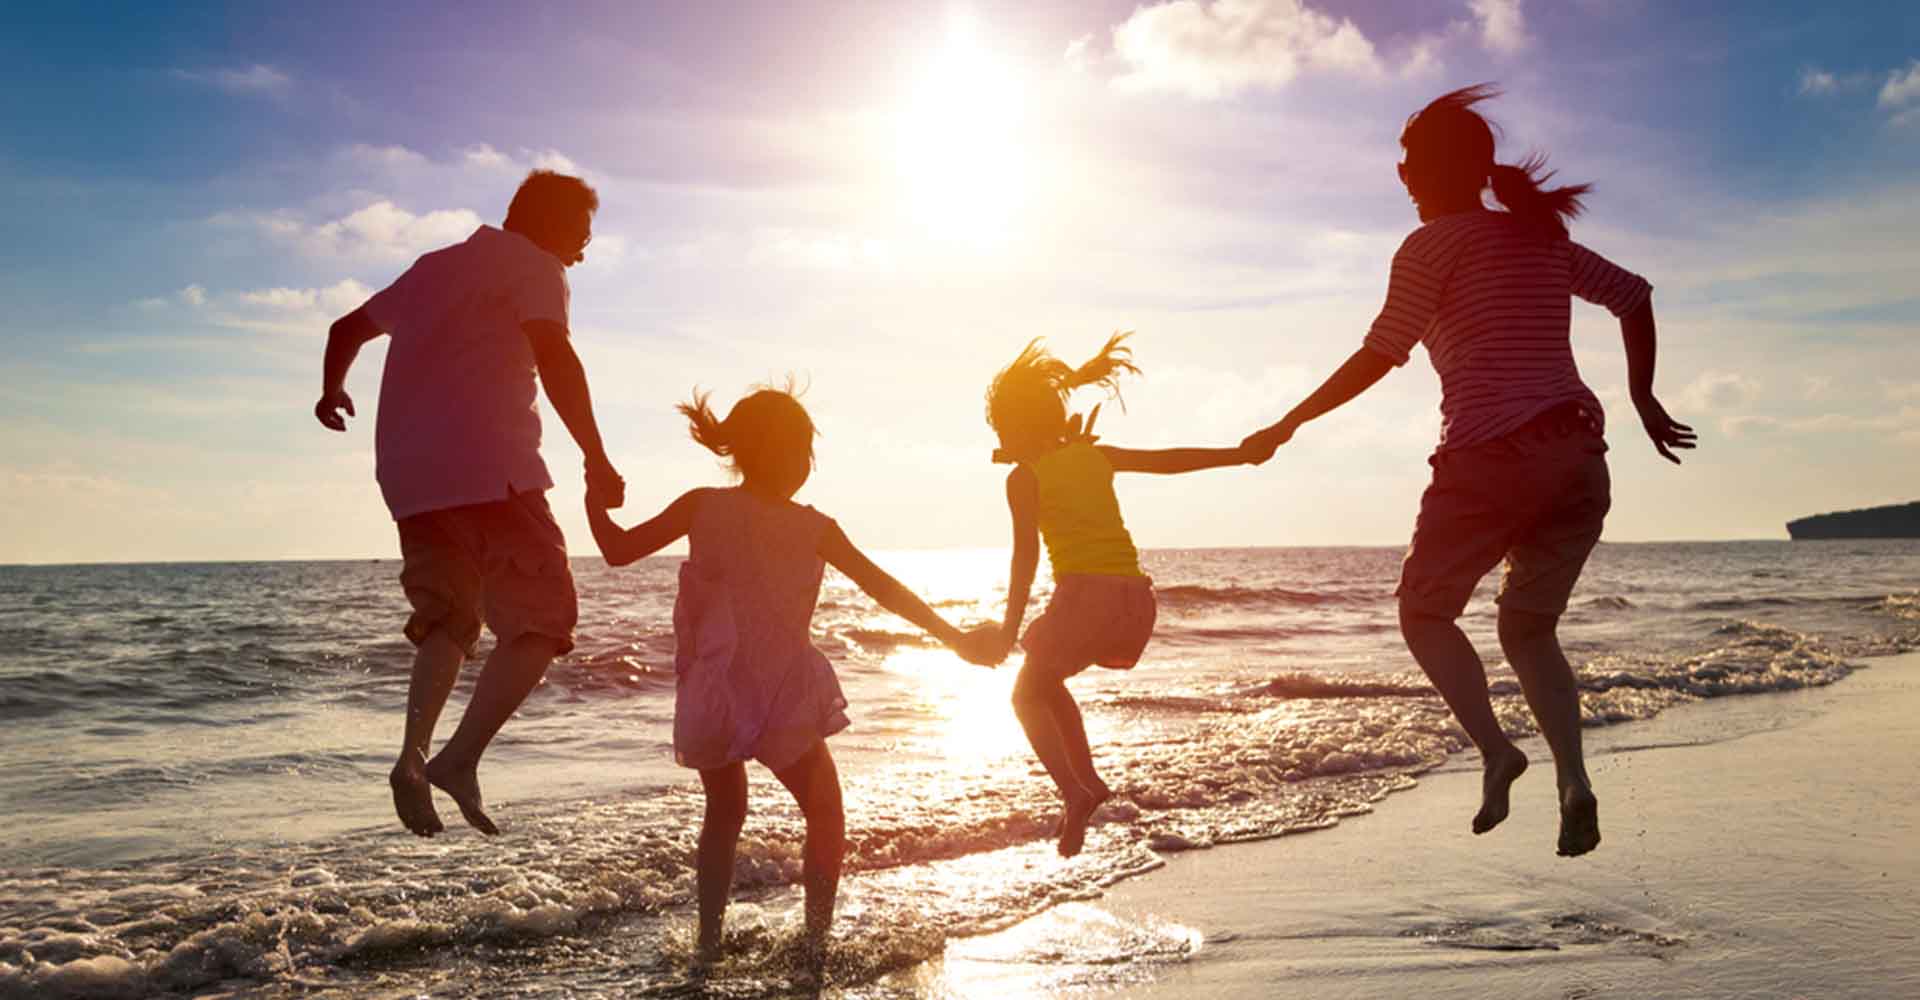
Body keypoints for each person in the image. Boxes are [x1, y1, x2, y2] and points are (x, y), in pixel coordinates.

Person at [1241, 85, 1696, 857]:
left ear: (1443, 171)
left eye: (1412, 161)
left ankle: (1497, 751)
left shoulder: (1432, 246)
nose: (1402, 173)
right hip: (1580, 457)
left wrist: (1290, 420)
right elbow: (1634, 296)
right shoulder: (1537, 238)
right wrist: (1644, 399)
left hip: (1493, 455)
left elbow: (1382, 352)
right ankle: (1573, 781)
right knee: (1528, 627)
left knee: (1423, 612)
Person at [584, 384, 999, 964]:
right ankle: (815, 938)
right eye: (803, 451)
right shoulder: (815, 527)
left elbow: (617, 550)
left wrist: (591, 497)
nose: (806, 464)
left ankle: (707, 942)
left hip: (715, 694)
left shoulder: (702, 504)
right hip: (781, 695)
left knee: (725, 813)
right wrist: (953, 638)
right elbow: (885, 590)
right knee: (824, 807)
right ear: (784, 455)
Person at [314, 169, 627, 838]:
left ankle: (412, 757)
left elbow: (346, 329)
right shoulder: (537, 266)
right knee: (546, 621)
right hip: (494, 469)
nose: (582, 249)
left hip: (411, 480)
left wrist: (331, 391)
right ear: (546, 222)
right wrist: (596, 456)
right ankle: (459, 760)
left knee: (450, 620)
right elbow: (556, 355)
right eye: (580, 233)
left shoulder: (433, 267)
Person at [982, 334, 1260, 858]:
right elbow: (1169, 461)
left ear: (1020, 427)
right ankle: (1087, 785)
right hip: (1134, 602)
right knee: (1046, 682)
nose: (998, 438)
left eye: (1001, 427)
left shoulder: (1024, 479)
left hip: (1085, 599)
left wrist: (1006, 628)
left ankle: (1075, 790)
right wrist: (1238, 455)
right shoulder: (1095, 455)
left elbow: (1025, 560)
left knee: (1024, 695)